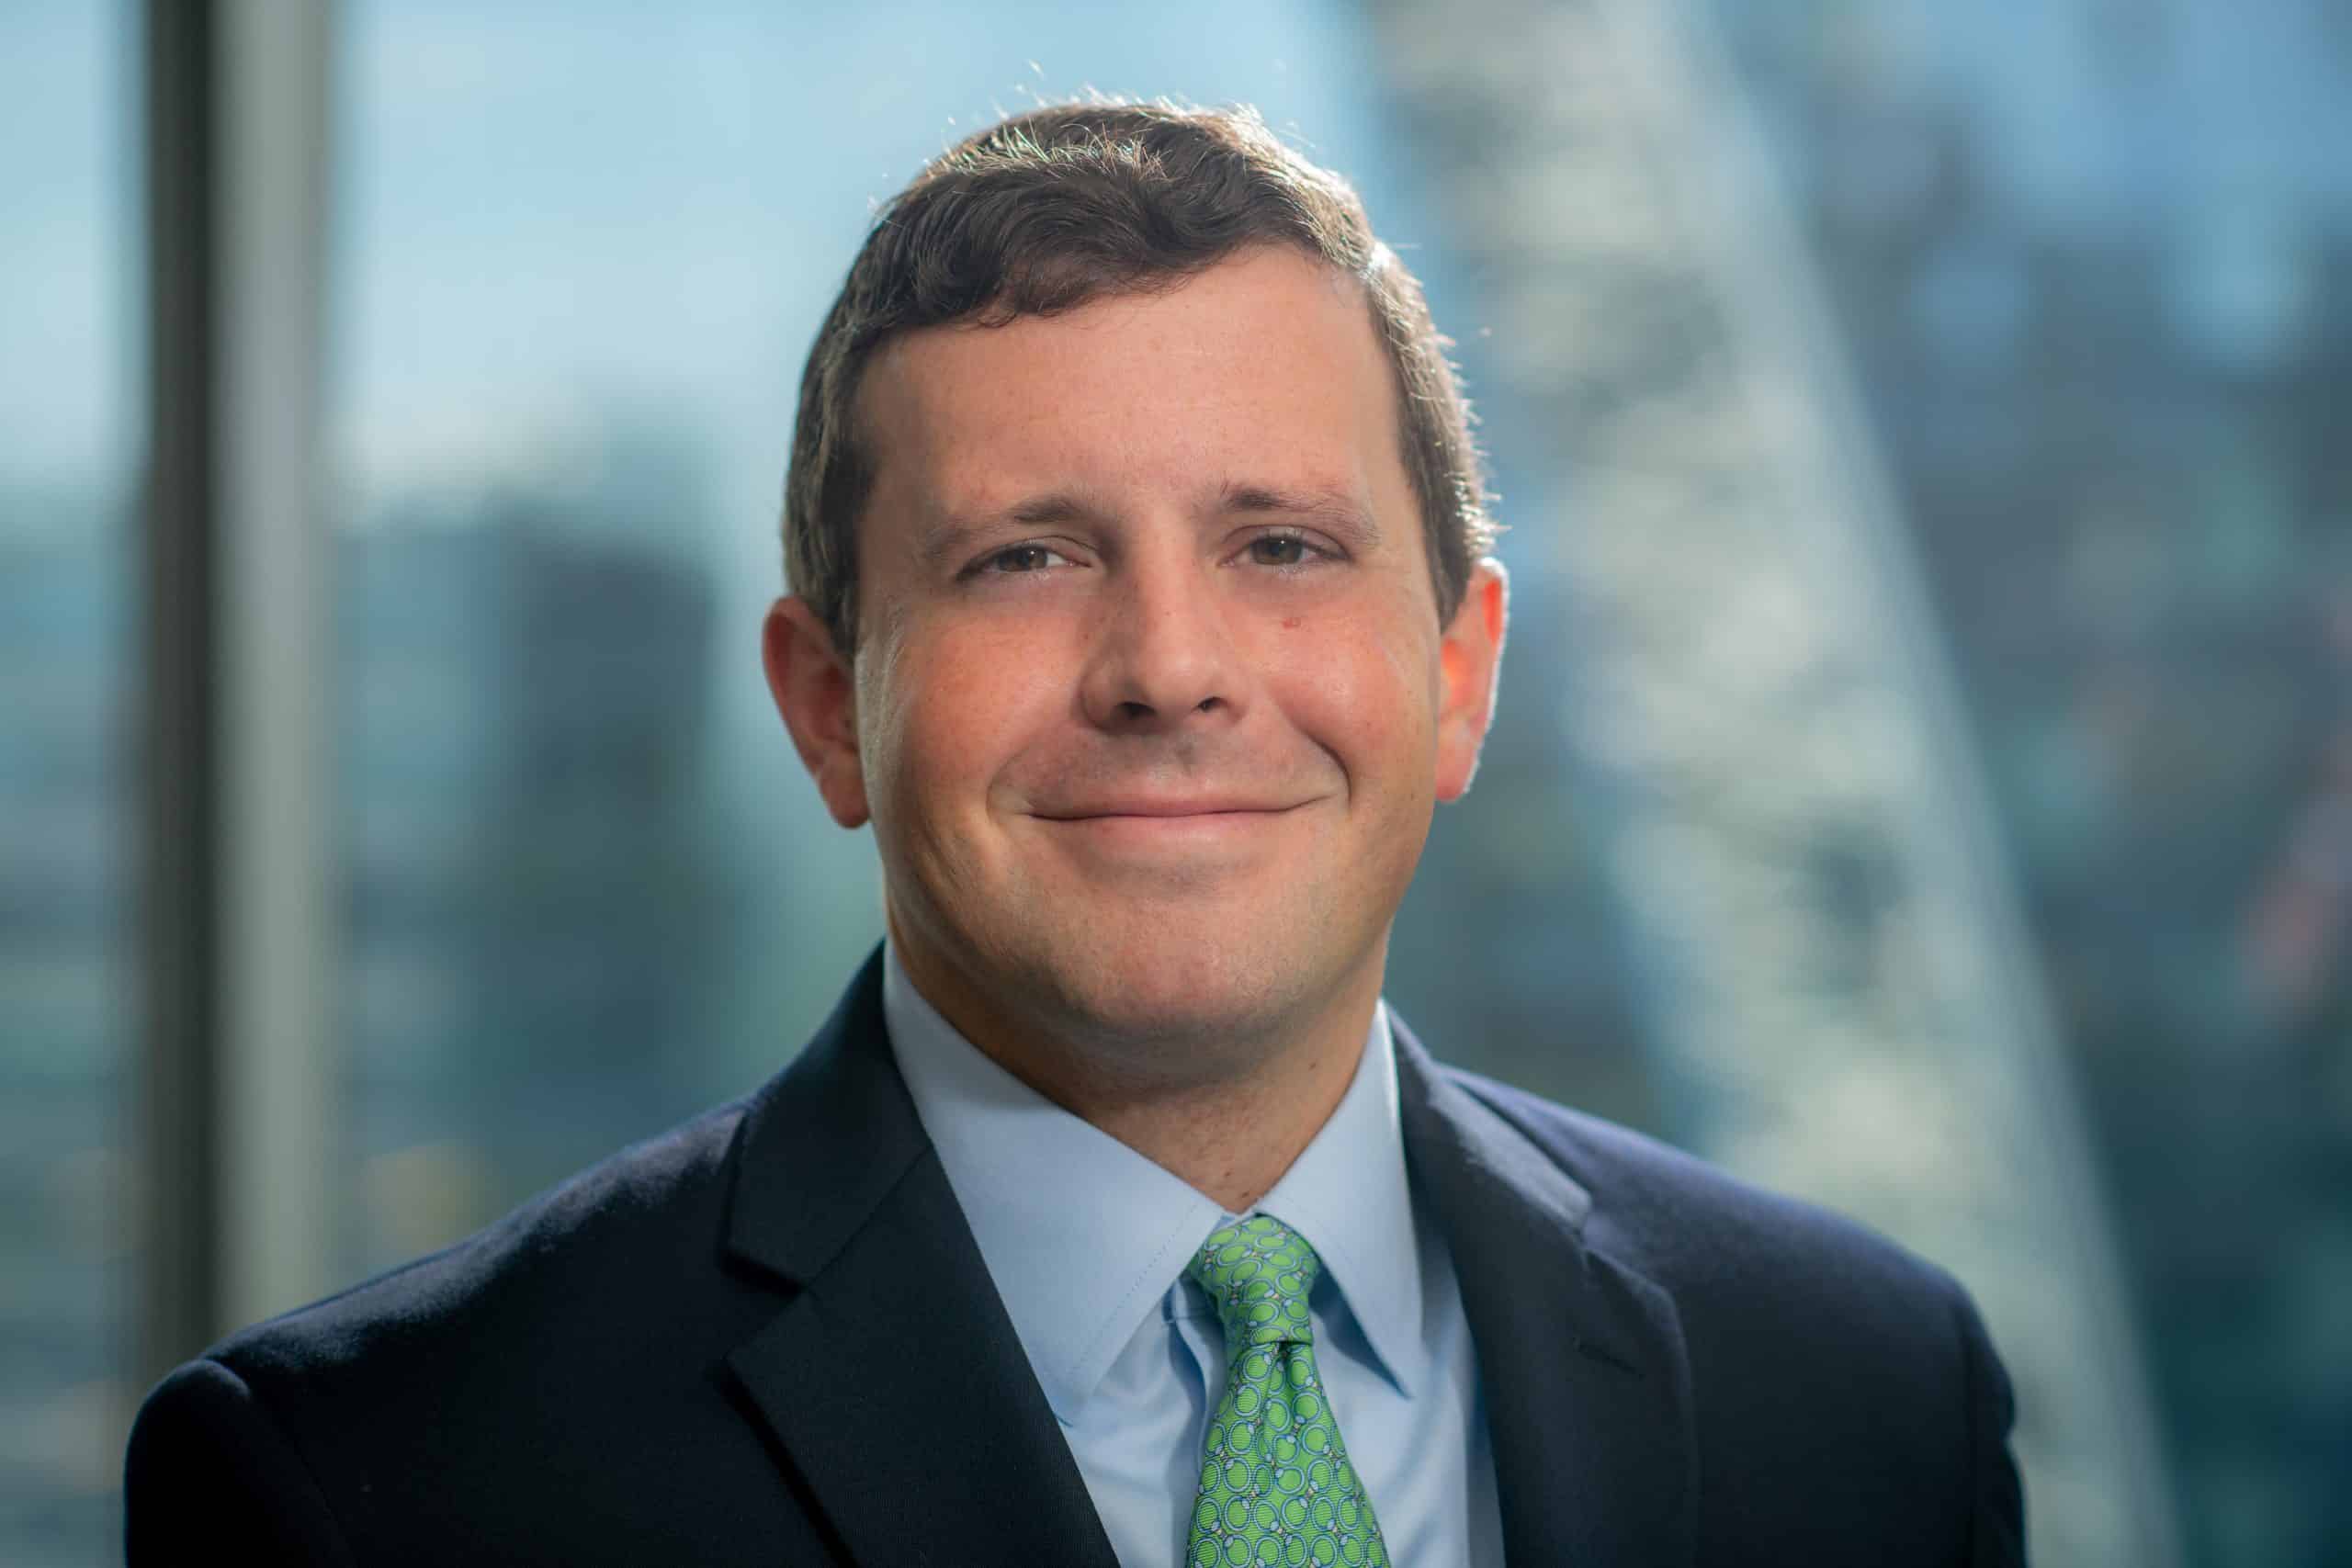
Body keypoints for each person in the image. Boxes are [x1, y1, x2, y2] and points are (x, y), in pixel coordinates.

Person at [125, 101, 2026, 1566]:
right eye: (1023, 557)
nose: (1169, 668)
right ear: (821, 702)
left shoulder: (1860, 1393)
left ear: (1458, 672)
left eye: (1278, 544)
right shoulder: (377, 1486)